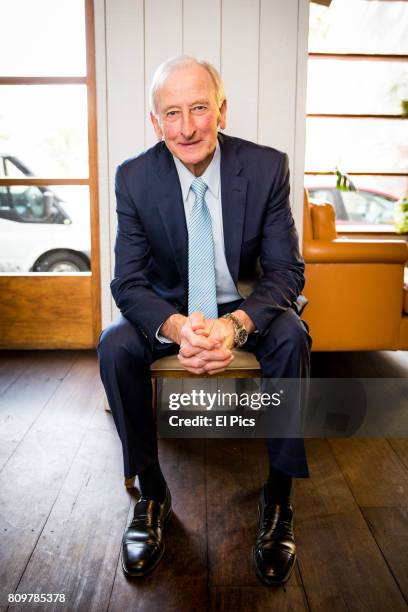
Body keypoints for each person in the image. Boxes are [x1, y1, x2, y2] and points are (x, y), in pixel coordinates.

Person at [98, 55, 312, 587]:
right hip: (172, 307)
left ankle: (280, 497)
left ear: (222, 110)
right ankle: (152, 493)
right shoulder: (133, 178)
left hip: (242, 303)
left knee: (292, 335)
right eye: (172, 113)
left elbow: (287, 270)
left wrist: (236, 324)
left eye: (199, 108)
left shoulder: (265, 168)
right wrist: (174, 327)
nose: (187, 127)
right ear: (156, 123)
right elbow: (127, 282)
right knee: (114, 344)